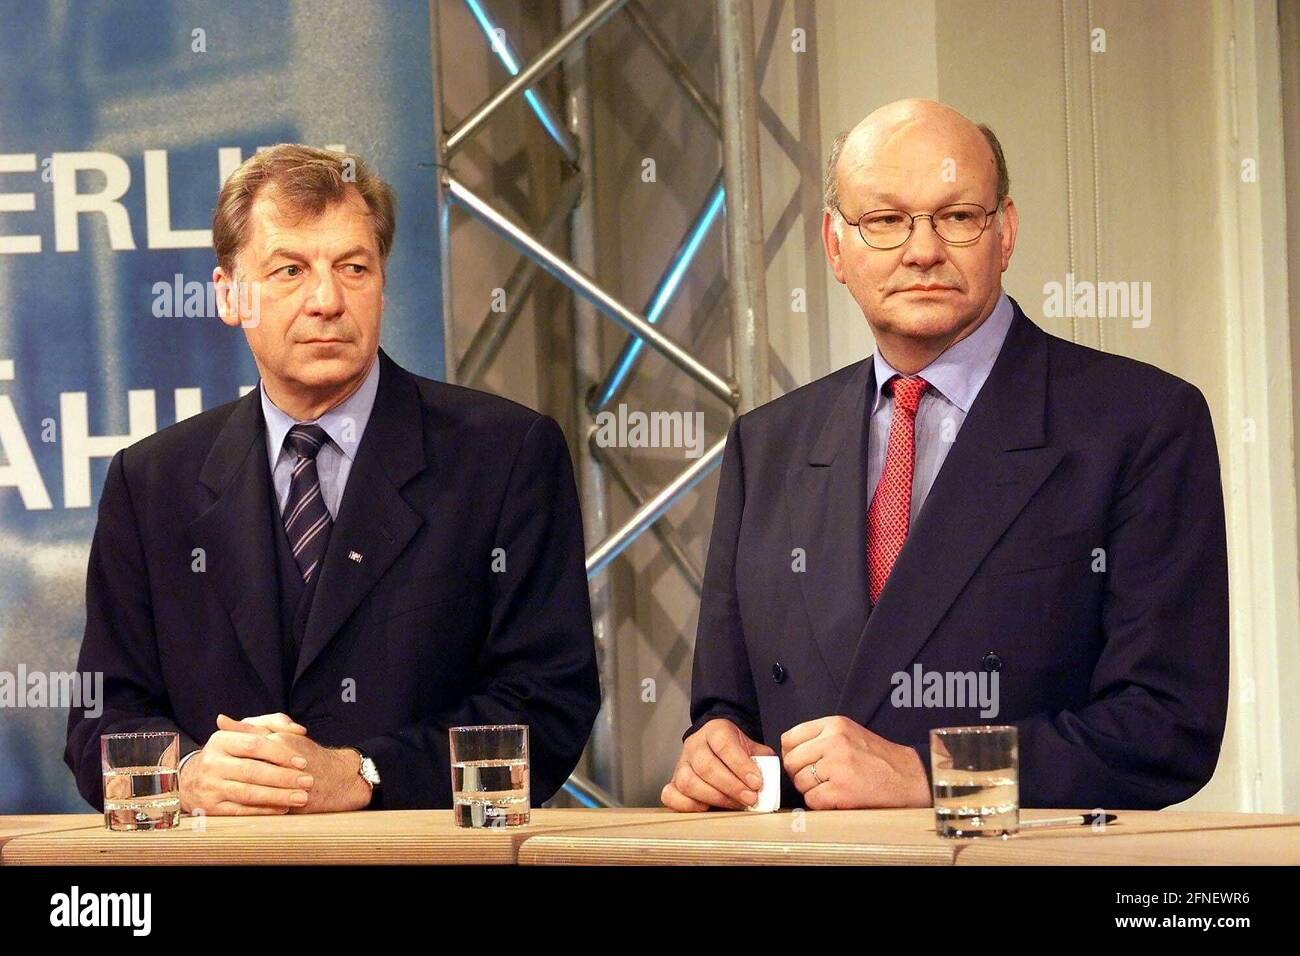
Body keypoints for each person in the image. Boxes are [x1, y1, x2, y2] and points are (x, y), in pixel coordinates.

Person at [663, 99, 1228, 812]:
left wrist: (933, 775)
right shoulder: (767, 441)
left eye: (957, 217)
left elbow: (1167, 728)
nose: (922, 249)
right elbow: (731, 709)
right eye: (885, 220)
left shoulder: (1140, 422)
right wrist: (715, 752)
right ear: (836, 248)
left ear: (1006, 233)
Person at [66, 144, 600, 813]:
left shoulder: (504, 454)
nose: (326, 300)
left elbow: (547, 705)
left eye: (353, 267)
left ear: (381, 281)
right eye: (289, 270)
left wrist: (366, 775)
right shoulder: (151, 483)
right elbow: (99, 721)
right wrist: (192, 773)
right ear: (228, 295)